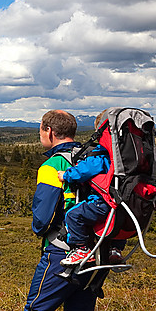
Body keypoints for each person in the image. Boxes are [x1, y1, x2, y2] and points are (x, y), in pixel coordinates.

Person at [24, 110, 102, 311]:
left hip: (63, 252)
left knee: (37, 309)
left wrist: (38, 228)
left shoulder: (51, 166)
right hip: (97, 251)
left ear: (49, 132)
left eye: (40, 130)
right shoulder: (90, 161)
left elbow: (42, 220)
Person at [58, 110, 123, 266]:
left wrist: (65, 175)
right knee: (119, 221)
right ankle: (115, 249)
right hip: (125, 203)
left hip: (104, 202)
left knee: (73, 215)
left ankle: (81, 249)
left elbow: (83, 171)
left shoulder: (100, 155)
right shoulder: (124, 157)